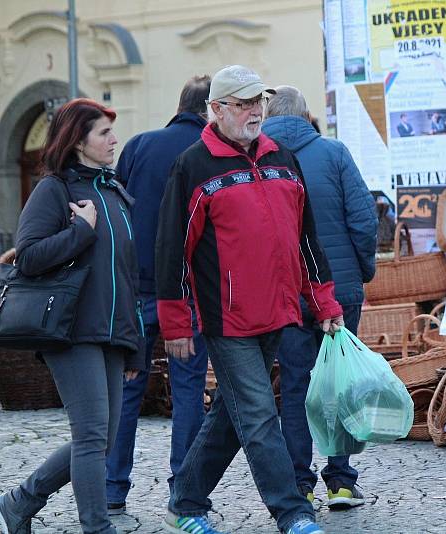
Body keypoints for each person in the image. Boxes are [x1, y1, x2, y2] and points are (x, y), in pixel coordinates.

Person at [156, 65, 340, 534]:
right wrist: (176, 324)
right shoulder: (193, 166)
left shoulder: (283, 158)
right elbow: (171, 249)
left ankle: (185, 501)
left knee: (231, 415)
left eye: (258, 100)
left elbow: (307, 241)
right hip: (227, 319)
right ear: (216, 111)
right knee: (259, 415)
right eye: (243, 103)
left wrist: (324, 304)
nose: (255, 111)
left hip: (278, 312)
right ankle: (294, 513)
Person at [0, 98, 145, 534]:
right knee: (91, 437)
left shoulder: (115, 192)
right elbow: (27, 257)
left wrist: (135, 345)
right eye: (103, 133)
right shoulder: (54, 189)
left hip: (114, 334)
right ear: (78, 141)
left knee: (100, 441)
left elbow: (128, 275)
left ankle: (21, 500)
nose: (114, 139)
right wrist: (81, 231)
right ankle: (97, 527)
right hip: (72, 331)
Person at [262, 86, 377, 509]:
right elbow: (363, 220)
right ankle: (342, 481)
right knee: (341, 385)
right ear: (307, 116)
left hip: (287, 295)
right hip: (339, 290)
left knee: (295, 387)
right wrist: (360, 273)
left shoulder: (260, 161)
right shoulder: (334, 153)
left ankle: (299, 483)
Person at [105, 75, 212, 515]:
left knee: (127, 390)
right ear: (211, 111)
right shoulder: (209, 155)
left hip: (135, 290)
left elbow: (120, 208)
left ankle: (112, 488)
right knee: (188, 392)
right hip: (186, 293)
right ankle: (182, 491)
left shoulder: (139, 145)